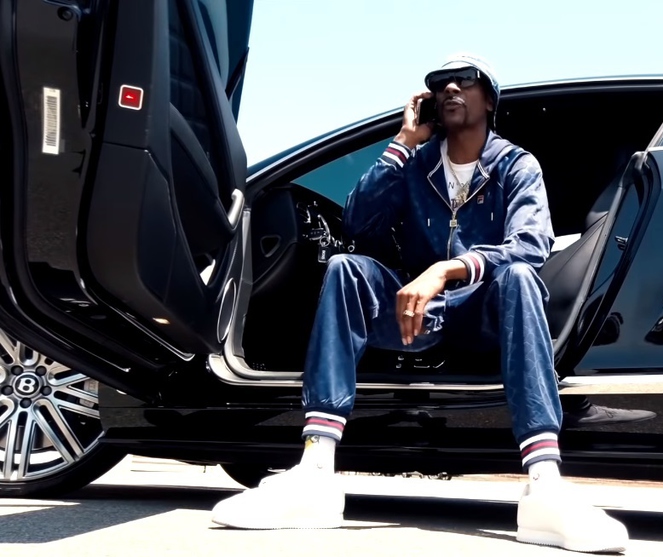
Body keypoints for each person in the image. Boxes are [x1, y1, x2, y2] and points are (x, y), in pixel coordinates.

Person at [210, 53, 629, 554]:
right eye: (440, 82)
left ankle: (545, 486)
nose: (450, 87)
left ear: (489, 100)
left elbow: (531, 245)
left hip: (483, 313)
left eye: (465, 79)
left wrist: (448, 269)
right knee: (346, 268)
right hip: (419, 317)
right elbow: (358, 224)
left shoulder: (516, 164)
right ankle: (314, 472)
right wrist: (402, 145)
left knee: (520, 278)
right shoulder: (417, 164)